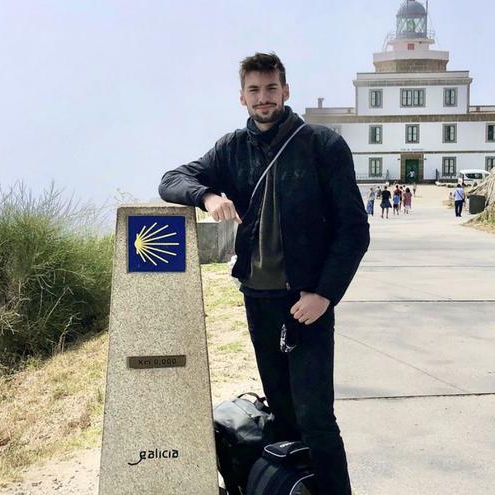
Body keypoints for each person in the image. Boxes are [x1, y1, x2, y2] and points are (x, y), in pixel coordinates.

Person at [158, 52, 368, 495]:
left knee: (315, 416)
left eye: (271, 88)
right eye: (254, 90)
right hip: (259, 299)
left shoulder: (322, 146)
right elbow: (171, 179)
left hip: (306, 301)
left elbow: (354, 230)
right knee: (283, 412)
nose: (263, 98)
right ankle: (294, 487)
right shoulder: (231, 149)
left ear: (286, 91)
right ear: (242, 97)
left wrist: (324, 294)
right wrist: (207, 196)